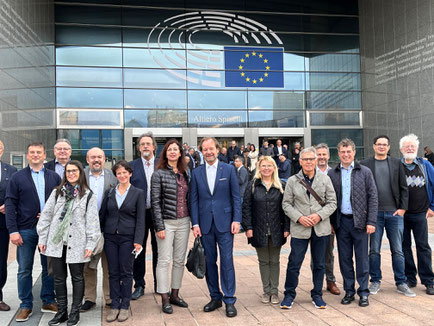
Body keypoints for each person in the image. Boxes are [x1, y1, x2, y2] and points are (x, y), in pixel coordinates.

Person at [37, 160, 101, 326]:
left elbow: (92, 222)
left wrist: (90, 245)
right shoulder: (57, 192)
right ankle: (62, 312)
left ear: (80, 173)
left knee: (77, 278)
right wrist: (42, 238)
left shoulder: (88, 195)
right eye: (68, 171)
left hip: (78, 243)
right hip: (57, 243)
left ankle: (74, 313)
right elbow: (46, 217)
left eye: (74, 171)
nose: (71, 173)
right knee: (58, 278)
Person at [5, 142, 61, 322]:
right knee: (24, 269)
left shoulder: (54, 177)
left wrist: (51, 217)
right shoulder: (17, 177)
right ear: (27, 155)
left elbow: (62, 203)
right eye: (32, 152)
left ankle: (48, 300)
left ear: (45, 155)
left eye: (39, 152)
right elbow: (10, 204)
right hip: (25, 229)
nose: (35, 155)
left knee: (49, 268)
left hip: (49, 230)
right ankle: (26, 305)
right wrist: (13, 231)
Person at [190, 137, 241, 318]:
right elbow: (193, 200)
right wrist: (195, 224)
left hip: (226, 223)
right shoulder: (196, 173)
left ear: (218, 150)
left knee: (227, 261)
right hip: (204, 225)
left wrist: (237, 219)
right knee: (209, 262)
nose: (209, 152)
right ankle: (215, 297)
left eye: (211, 149)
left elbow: (236, 196)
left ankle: (229, 299)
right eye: (205, 149)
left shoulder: (228, 169)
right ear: (202, 152)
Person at [281, 147, 337, 310]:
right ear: (300, 161)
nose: (308, 162)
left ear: (316, 160)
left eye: (311, 159)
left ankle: (317, 294)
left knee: (320, 264)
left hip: (321, 228)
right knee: (294, 263)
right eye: (305, 159)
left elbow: (332, 202)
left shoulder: (325, 179)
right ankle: (289, 294)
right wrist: (299, 217)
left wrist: (319, 215)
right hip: (300, 229)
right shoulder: (292, 180)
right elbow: (286, 204)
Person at [360, 136, 414, 297]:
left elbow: (404, 188)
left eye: (385, 145)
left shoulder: (397, 163)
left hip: (394, 213)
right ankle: (375, 280)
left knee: (398, 250)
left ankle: (401, 282)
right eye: (379, 144)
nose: (382, 147)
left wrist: (403, 209)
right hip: (374, 214)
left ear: (389, 147)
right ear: (374, 146)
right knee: (374, 250)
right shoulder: (365, 165)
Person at [328, 138, 378, 307]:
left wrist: (371, 221)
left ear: (354, 152)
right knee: (345, 259)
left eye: (349, 151)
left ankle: (363, 292)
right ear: (338, 153)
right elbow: (329, 200)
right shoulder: (332, 173)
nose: (346, 154)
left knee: (362, 259)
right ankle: (349, 291)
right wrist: (331, 223)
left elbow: (373, 197)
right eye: (342, 151)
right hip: (342, 223)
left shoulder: (365, 171)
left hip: (361, 223)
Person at [100, 160, 145, 322]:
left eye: (125, 172)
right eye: (119, 173)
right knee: (113, 272)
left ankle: (125, 306)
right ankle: (114, 306)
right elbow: (103, 215)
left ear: (130, 173)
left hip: (128, 237)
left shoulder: (138, 193)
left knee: (126, 272)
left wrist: (138, 240)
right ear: (116, 175)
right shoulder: (110, 192)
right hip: (111, 237)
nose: (122, 175)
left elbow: (141, 219)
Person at [242, 156, 289, 304]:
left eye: (269, 165)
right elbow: (246, 208)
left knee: (274, 261)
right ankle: (266, 291)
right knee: (263, 261)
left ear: (274, 168)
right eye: (263, 166)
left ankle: (274, 292)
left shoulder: (281, 185)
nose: (266, 168)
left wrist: (287, 227)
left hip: (277, 228)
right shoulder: (253, 185)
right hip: (258, 229)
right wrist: (248, 227)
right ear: (259, 168)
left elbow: (286, 208)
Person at [151, 139, 191, 314]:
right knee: (164, 260)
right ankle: (165, 297)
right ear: (165, 153)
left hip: (184, 222)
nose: (173, 152)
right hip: (166, 223)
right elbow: (155, 202)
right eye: (169, 150)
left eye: (176, 149)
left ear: (181, 153)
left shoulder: (185, 172)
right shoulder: (158, 174)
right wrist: (159, 226)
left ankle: (175, 294)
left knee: (179, 261)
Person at [81, 147, 117, 311]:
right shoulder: (80, 175)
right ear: (87, 160)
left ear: (104, 159)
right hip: (86, 229)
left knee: (108, 265)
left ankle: (109, 297)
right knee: (88, 266)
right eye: (93, 157)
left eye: (100, 157)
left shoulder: (112, 176)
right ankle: (89, 298)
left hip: (107, 227)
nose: (96, 160)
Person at [399, 134, 434, 295]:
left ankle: (428, 280)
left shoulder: (425, 166)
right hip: (402, 215)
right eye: (407, 146)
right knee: (404, 246)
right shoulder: (396, 166)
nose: (410, 148)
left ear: (417, 149)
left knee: (423, 247)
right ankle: (410, 278)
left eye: (413, 146)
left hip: (421, 214)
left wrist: (432, 207)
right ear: (401, 149)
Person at [129, 132, 158, 299]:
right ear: (139, 148)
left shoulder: (162, 165)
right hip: (138, 216)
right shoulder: (131, 166)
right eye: (142, 144)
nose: (145, 146)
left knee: (159, 251)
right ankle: (139, 284)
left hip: (158, 215)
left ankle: (159, 284)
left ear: (153, 146)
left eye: (148, 143)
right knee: (138, 250)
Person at [312, 143, 340, 295]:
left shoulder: (335, 173)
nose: (321, 157)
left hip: (328, 221)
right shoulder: (307, 172)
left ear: (328, 156)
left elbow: (336, 200)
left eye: (324, 154)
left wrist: (332, 222)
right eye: (319, 154)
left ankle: (330, 281)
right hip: (311, 221)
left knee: (328, 252)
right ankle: (316, 283)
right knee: (314, 254)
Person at [0, 140, 17, 312]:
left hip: (2, 224)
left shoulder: (10, 171)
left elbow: (14, 194)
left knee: (0, 262)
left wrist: (9, 205)